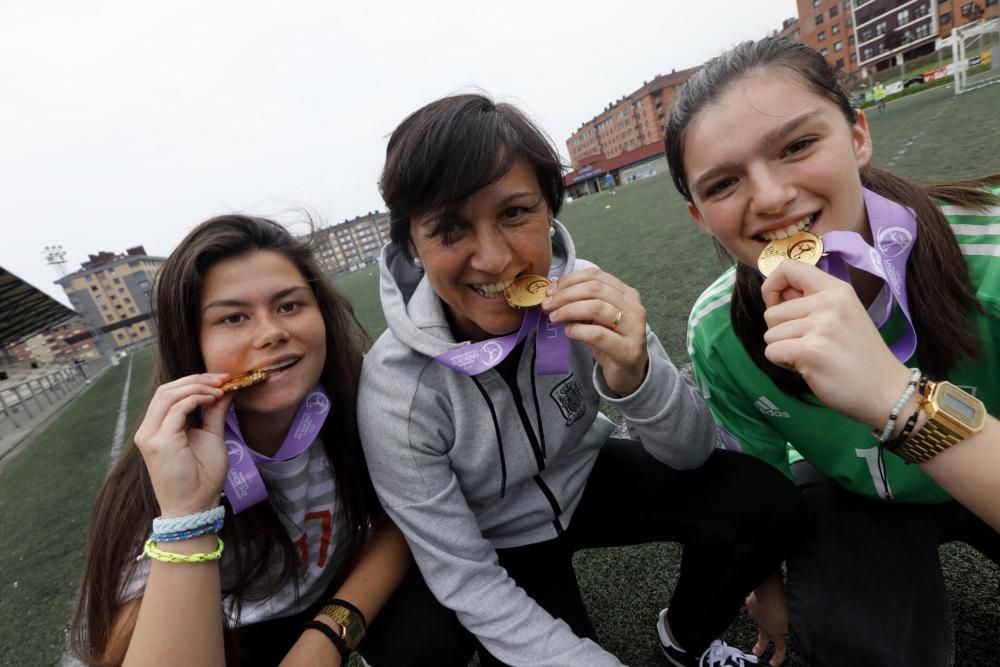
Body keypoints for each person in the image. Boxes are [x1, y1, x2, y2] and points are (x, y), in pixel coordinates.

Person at [358, 93, 804, 667]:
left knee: (766, 502)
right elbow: (464, 576)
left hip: (587, 476)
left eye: (515, 212)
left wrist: (635, 374)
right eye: (449, 228)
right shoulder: (397, 388)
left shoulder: (586, 291)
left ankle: (684, 636)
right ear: (412, 246)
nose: (494, 259)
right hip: (498, 538)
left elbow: (692, 453)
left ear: (549, 209)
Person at [668, 37, 1000, 666]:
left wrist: (895, 399)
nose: (768, 198)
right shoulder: (717, 330)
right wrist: (763, 587)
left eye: (797, 146)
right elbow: (753, 485)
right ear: (700, 217)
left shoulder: (993, 256)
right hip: (857, 499)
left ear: (857, 137)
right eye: (723, 184)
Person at [69, 215, 424, 666]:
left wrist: (327, 636)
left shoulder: (361, 397)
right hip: (233, 630)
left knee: (424, 632)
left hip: (332, 598)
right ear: (191, 345)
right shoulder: (161, 471)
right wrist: (188, 510)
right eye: (233, 317)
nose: (271, 332)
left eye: (290, 306)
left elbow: (399, 521)